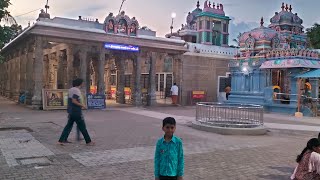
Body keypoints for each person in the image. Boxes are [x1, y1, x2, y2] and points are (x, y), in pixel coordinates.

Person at [57, 78, 94, 146]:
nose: (83, 84)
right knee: (82, 127)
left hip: (71, 111)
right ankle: (88, 141)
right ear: (79, 83)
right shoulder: (76, 90)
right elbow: (74, 100)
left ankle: (61, 140)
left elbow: (70, 101)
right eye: (82, 83)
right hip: (76, 111)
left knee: (68, 126)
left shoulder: (71, 89)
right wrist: (82, 105)